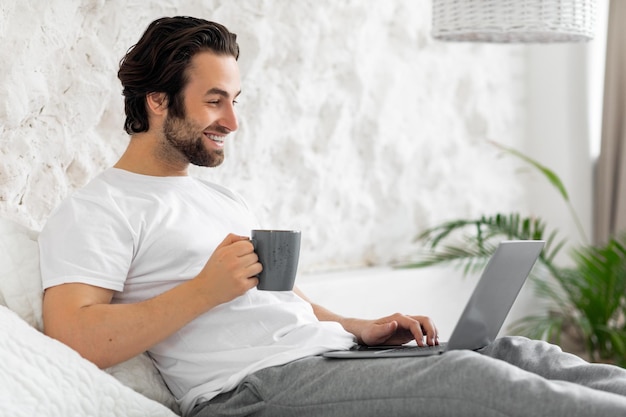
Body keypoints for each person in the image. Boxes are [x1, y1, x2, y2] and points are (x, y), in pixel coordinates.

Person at [39, 16, 626, 417]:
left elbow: (279, 298)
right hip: (253, 389)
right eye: (214, 100)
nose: (232, 122)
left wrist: (357, 327)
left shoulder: (219, 200)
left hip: (328, 356)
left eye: (235, 102)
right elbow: (75, 337)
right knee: (485, 385)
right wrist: (201, 292)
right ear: (158, 100)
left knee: (524, 355)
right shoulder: (98, 209)